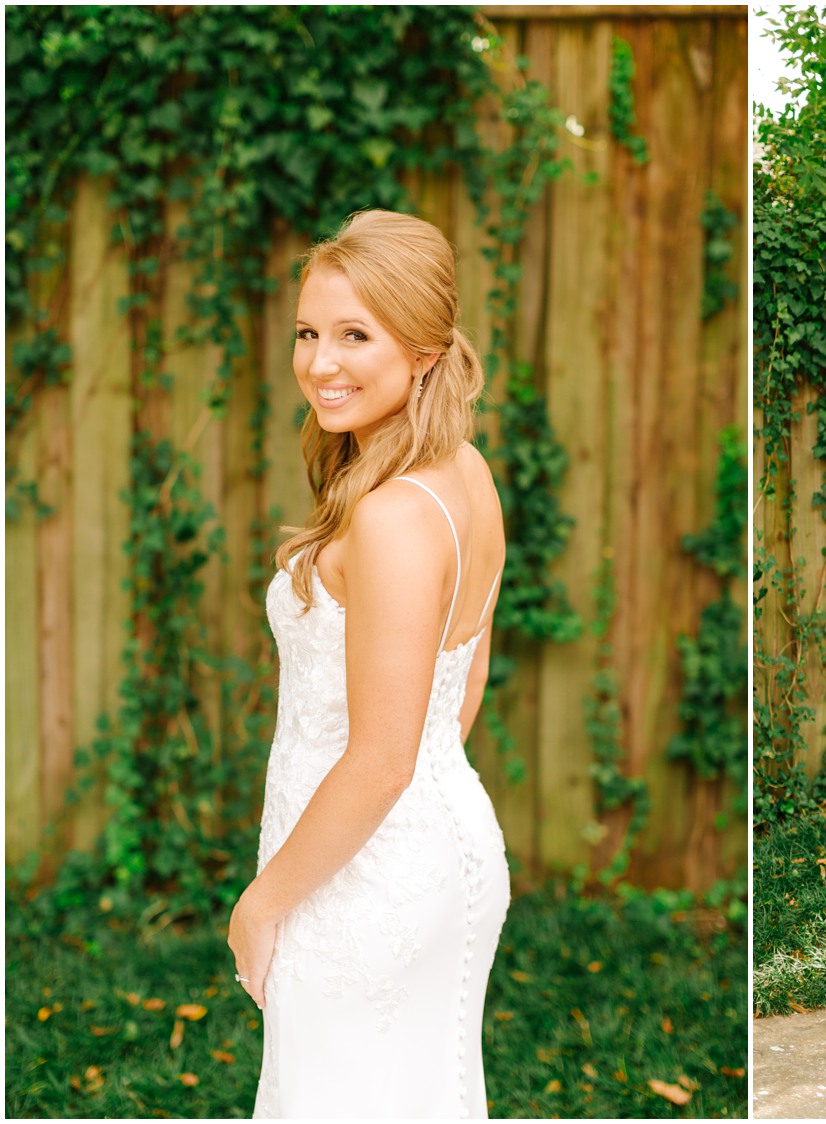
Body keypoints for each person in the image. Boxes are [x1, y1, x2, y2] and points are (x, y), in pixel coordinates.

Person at [227, 209, 509, 1118]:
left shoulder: (391, 516)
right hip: (442, 843)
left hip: (359, 883)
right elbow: (459, 685)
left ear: (426, 350)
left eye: (356, 334)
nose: (320, 362)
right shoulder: (465, 470)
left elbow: (381, 756)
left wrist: (263, 904)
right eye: (309, 332)